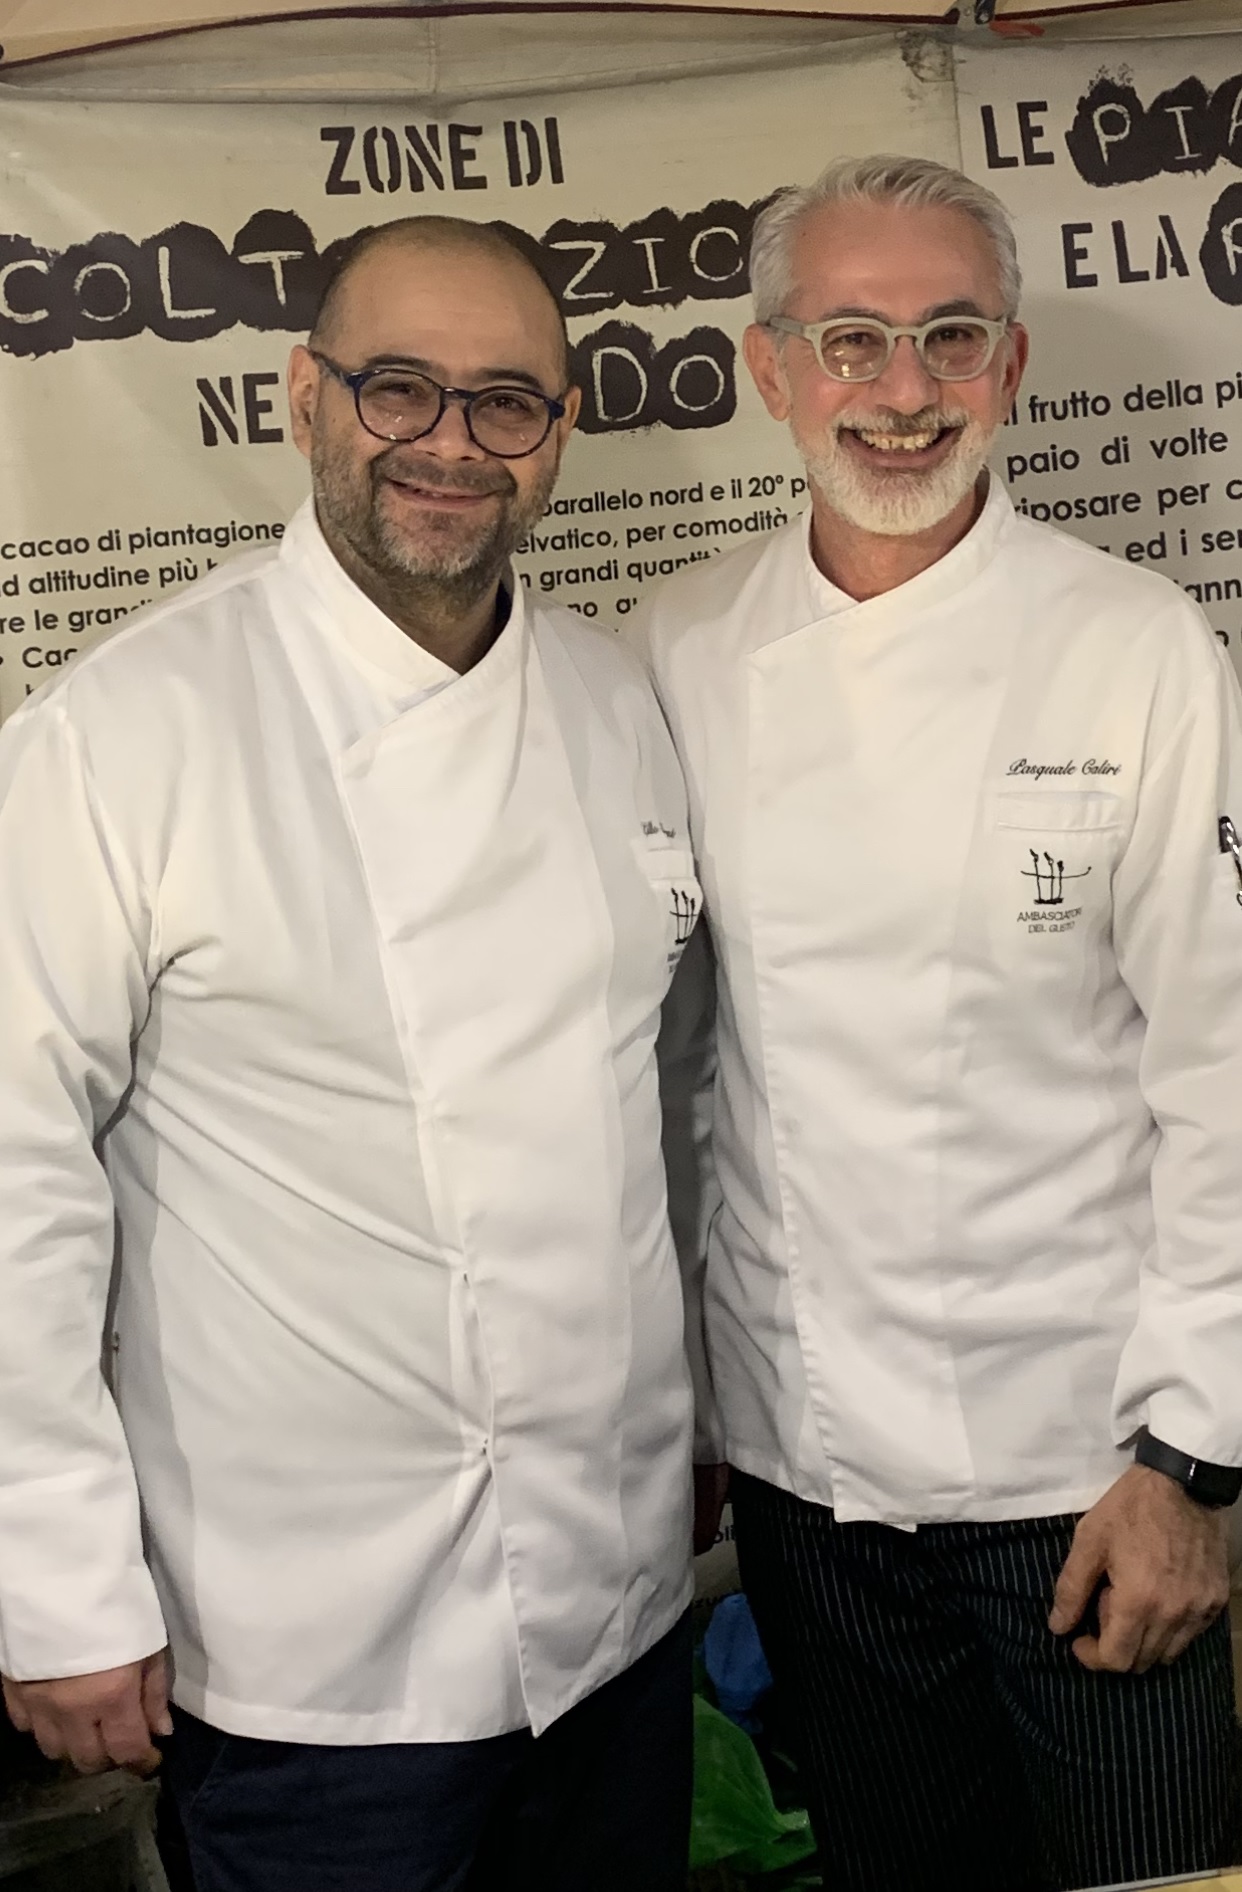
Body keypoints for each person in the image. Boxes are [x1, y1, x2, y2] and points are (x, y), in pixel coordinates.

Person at [0, 215, 704, 1892]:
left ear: (560, 430)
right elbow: (15, 1175)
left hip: (614, 1608)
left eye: (505, 400)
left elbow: (658, 1103)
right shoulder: (122, 735)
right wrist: (55, 1584)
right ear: (304, 398)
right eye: (399, 387)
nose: (450, 441)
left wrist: (694, 1435)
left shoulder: (613, 701)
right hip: (310, 1652)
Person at [634, 154, 1242, 1892]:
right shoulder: (679, 645)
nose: (901, 392)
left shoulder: (1133, 648)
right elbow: (676, 1065)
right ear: (768, 371)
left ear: (1010, 365)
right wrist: (692, 1415)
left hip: (1089, 1469)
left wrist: (1195, 1461)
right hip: (808, 1466)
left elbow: (1221, 1069)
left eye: (948, 337)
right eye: (850, 340)